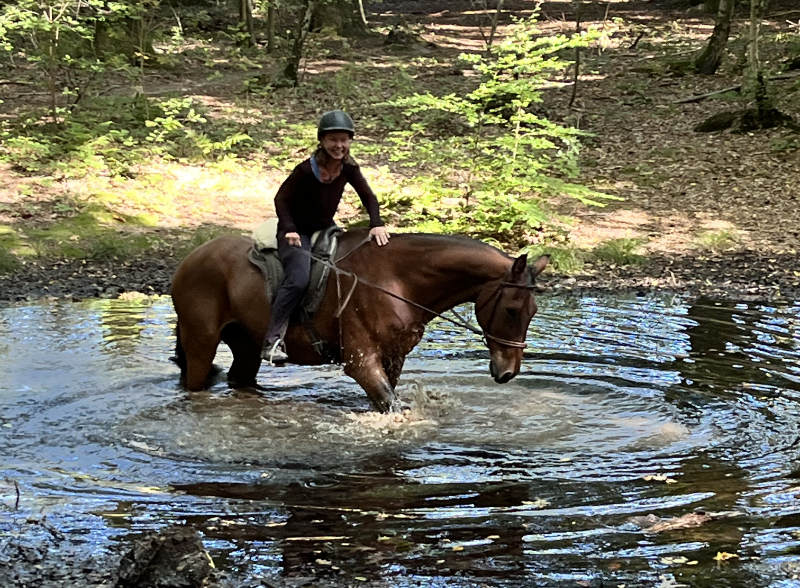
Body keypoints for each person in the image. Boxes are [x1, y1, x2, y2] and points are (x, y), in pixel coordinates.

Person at [262, 110, 391, 364]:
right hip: (296, 232)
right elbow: (281, 199)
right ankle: (272, 340)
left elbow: (369, 196)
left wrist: (376, 224)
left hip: (326, 228)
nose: (339, 146)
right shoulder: (305, 170)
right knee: (298, 279)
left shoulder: (349, 168)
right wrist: (288, 228)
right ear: (322, 141)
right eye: (333, 140)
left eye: (344, 140)